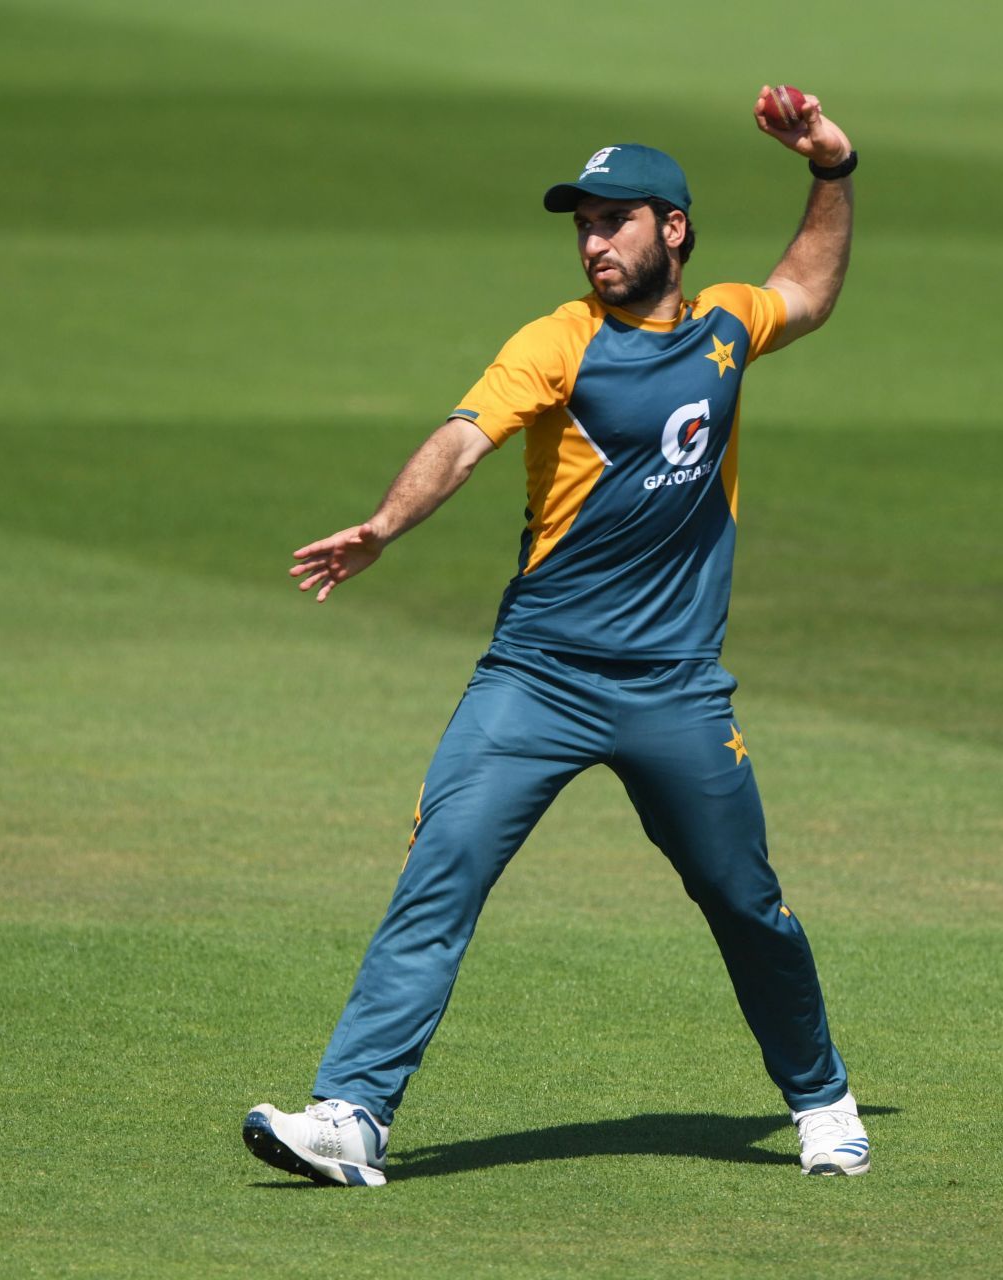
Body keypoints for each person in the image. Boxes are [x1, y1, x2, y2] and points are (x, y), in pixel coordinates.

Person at [243, 86, 867, 1187]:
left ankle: (821, 1098)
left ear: (671, 228)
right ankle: (352, 1112)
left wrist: (831, 167)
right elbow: (464, 436)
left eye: (612, 220)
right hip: (536, 677)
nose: (591, 242)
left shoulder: (725, 326)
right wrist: (389, 522)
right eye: (581, 222)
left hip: (676, 688)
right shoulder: (558, 343)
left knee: (744, 900)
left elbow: (807, 288)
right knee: (443, 866)